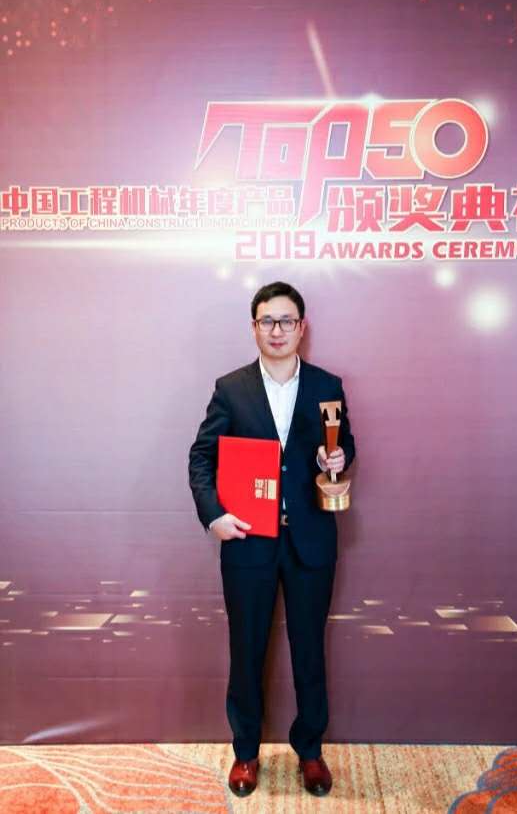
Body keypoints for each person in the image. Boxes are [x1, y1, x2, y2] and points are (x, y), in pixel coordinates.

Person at [188, 281, 355, 797]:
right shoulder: (231, 388)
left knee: (309, 650)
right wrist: (214, 515)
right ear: (254, 327)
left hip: (310, 541)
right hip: (248, 541)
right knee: (246, 649)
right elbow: (201, 458)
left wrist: (339, 457)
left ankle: (311, 750)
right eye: (267, 321)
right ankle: (245, 752)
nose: (277, 330)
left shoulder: (327, 385)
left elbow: (344, 445)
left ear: (302, 327)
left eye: (286, 320)